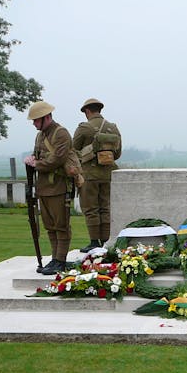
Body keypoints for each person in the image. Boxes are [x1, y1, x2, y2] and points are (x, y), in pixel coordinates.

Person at [25, 101, 73, 275]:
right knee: (50, 227)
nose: (34, 124)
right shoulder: (40, 135)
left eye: (36, 120)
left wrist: (36, 164)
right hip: (44, 187)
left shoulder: (61, 134)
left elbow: (57, 160)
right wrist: (32, 159)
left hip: (58, 187)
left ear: (46, 118)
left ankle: (60, 260)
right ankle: (55, 259)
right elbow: (38, 154)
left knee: (61, 226)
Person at [72, 98, 122, 252]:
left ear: (87, 111)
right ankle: (105, 241)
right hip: (108, 174)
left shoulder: (84, 128)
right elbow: (117, 154)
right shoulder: (113, 128)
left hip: (89, 174)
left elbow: (73, 150)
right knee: (105, 207)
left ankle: (94, 242)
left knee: (91, 208)